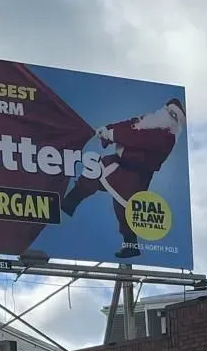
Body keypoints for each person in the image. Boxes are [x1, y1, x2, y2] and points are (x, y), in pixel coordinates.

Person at [60, 97, 186, 259]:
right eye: (168, 112)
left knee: (125, 209)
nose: (168, 116)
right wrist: (108, 129)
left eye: (173, 116)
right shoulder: (148, 121)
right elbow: (129, 124)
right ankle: (68, 204)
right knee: (93, 172)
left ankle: (131, 245)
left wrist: (112, 134)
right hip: (118, 163)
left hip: (135, 175)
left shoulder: (166, 137)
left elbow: (138, 139)